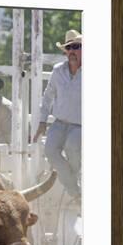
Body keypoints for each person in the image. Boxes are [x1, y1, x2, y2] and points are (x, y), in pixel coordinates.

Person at [33, 29, 82, 201]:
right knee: (50, 150)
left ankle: (74, 189)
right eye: (68, 48)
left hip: (81, 125)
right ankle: (75, 190)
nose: (71, 51)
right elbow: (47, 96)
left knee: (72, 146)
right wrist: (42, 121)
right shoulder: (57, 70)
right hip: (59, 122)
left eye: (76, 47)